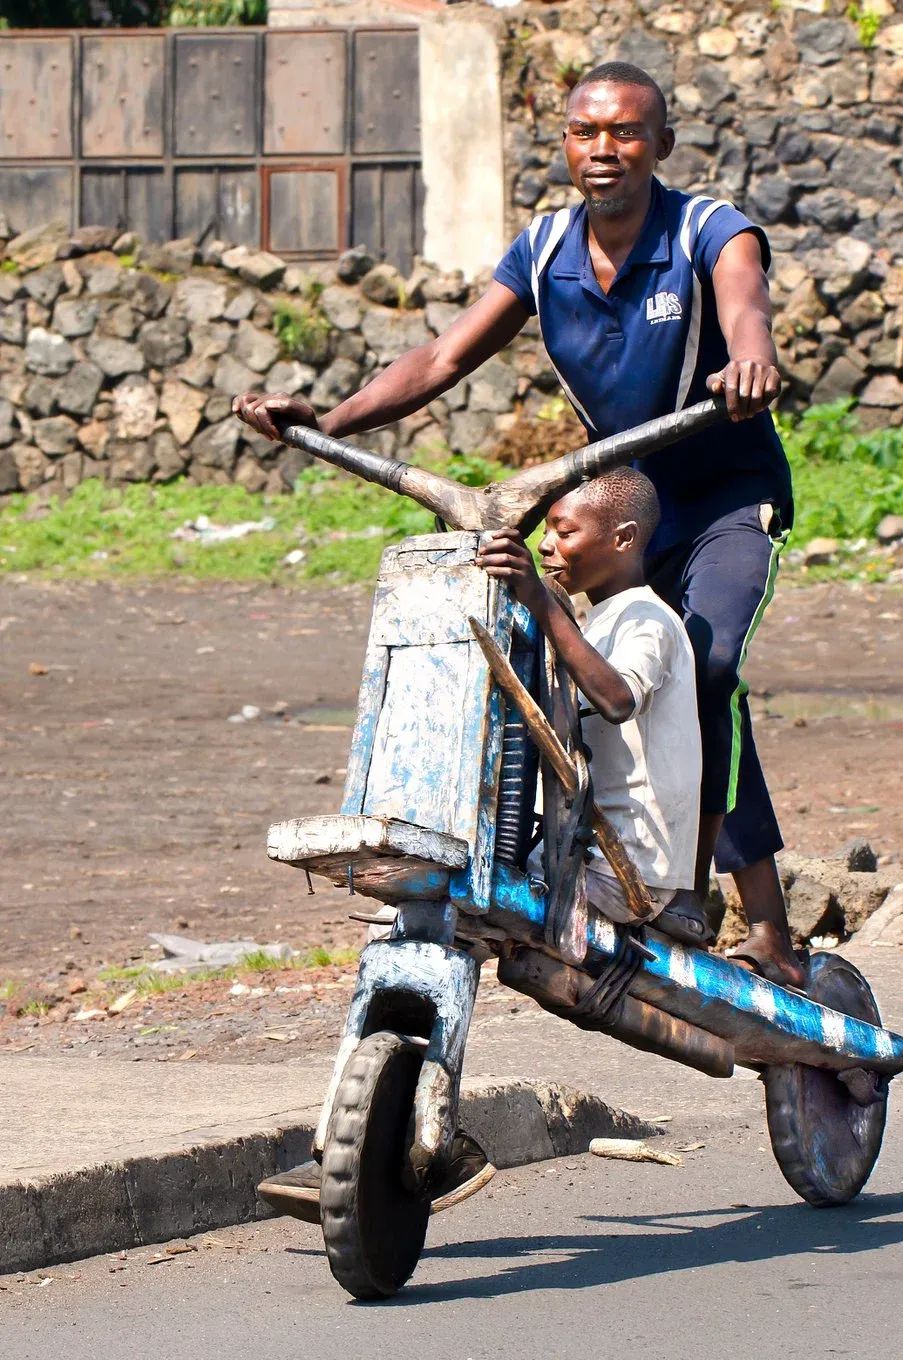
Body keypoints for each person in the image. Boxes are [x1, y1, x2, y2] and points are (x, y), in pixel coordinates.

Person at [233, 60, 804, 988]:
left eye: (626, 133)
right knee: (542, 655)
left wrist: (750, 361)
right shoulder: (544, 251)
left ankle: (758, 917)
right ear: (566, 144)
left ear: (660, 144)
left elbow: (745, 306)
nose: (605, 150)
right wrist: (328, 421)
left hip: (724, 496)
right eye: (587, 133)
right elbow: (443, 355)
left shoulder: (707, 229)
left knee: (710, 667)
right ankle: (558, 860)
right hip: (615, 507)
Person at [477, 468, 701, 925]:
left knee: (472, 883)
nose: (545, 546)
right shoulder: (593, 624)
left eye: (565, 531)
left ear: (623, 538)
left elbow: (618, 700)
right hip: (582, 851)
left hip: (626, 869)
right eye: (544, 533)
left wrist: (541, 600)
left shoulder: (647, 617)